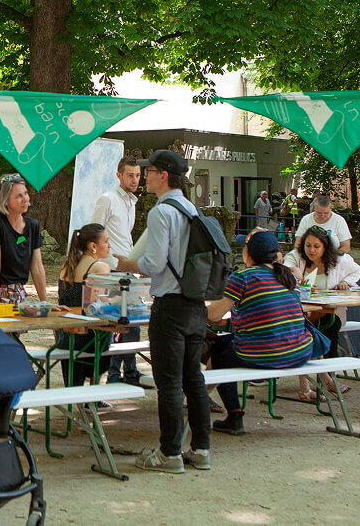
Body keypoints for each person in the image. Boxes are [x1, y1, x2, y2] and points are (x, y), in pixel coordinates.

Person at [115, 149, 209, 474]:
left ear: (164, 175)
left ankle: (170, 454)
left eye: (149, 170)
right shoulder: (191, 208)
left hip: (170, 305)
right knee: (193, 378)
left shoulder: (160, 212)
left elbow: (153, 263)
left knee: (168, 383)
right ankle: (201, 449)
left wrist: (127, 263)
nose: (145, 176)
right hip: (196, 303)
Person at [205, 228, 314, 435]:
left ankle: (234, 416)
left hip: (267, 353)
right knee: (227, 344)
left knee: (219, 351)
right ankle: (208, 399)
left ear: (248, 253)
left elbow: (214, 316)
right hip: (299, 351)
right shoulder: (288, 276)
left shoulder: (243, 276)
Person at [284, 225, 360, 399]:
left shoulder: (339, 259)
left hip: (327, 311)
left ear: (325, 247)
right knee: (309, 330)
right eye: (308, 246)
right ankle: (325, 379)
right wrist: (295, 272)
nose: (311, 250)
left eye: (316, 246)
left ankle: (324, 377)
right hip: (301, 311)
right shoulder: (297, 257)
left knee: (329, 325)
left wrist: (346, 282)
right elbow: (284, 266)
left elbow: (357, 271)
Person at [92, 155, 146, 386]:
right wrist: (100, 268)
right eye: (130, 175)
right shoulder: (108, 199)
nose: (135, 180)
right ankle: (114, 376)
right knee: (117, 323)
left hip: (127, 268)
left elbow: (125, 236)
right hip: (112, 270)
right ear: (119, 175)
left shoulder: (131, 201)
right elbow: (93, 232)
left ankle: (130, 372)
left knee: (132, 322)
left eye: (138, 175)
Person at [0, 173, 52, 306]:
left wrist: (45, 303)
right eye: (19, 196)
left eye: (26, 193)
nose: (25, 199)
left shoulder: (33, 225)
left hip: (19, 292)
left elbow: (37, 266)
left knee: (21, 327)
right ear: (5, 201)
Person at [55, 224, 112, 387]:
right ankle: (94, 397)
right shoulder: (99, 267)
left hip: (64, 336)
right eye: (106, 241)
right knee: (113, 333)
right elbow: (98, 304)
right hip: (88, 338)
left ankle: (78, 393)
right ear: (93, 246)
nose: (110, 246)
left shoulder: (68, 264)